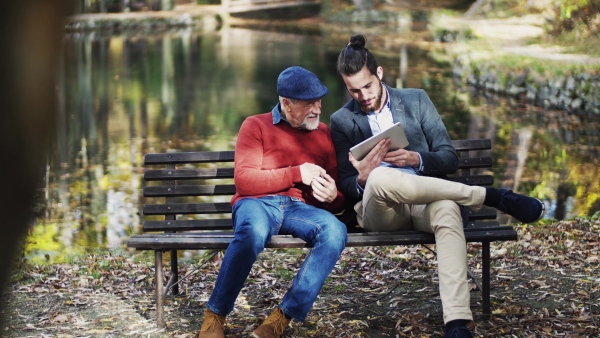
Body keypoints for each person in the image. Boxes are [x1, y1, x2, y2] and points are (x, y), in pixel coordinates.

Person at [329, 34, 545, 338]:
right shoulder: (341, 121)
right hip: (380, 209)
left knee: (446, 210)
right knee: (378, 177)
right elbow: (347, 184)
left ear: (379, 74)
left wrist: (415, 159)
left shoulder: (416, 100)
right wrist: (363, 176)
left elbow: (449, 158)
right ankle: (491, 196)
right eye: (354, 90)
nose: (362, 96)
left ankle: (457, 322)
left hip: (424, 198)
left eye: (367, 86)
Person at [197, 66, 348, 338]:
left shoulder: (323, 133)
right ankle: (215, 315)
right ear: (286, 103)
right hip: (256, 204)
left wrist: (332, 197)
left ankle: (282, 318)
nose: (317, 109)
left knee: (336, 230)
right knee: (252, 232)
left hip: (300, 209)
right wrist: (296, 173)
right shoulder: (255, 125)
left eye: (319, 101)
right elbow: (245, 181)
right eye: (308, 104)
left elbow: (334, 199)